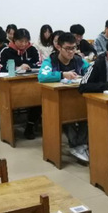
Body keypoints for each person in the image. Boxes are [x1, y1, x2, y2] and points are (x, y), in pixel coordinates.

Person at [38, 32, 90, 163]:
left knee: (85, 114)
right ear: (59, 47)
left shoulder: (78, 60)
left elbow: (91, 71)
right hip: (59, 100)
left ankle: (80, 146)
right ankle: (77, 146)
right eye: (67, 48)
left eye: (73, 48)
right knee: (67, 115)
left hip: (78, 97)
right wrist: (62, 75)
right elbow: (42, 77)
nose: (71, 52)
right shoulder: (50, 61)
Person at [0, 28, 41, 139]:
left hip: (31, 83)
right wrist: (17, 68)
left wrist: (30, 66)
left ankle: (30, 126)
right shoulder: (6, 51)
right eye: (21, 41)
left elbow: (39, 64)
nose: (24, 44)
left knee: (38, 98)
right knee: (11, 101)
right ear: (14, 40)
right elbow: (0, 67)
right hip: (11, 85)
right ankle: (8, 130)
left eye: (26, 41)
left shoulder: (32, 49)